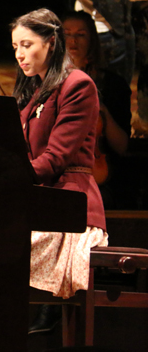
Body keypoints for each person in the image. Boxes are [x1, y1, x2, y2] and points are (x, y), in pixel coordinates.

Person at [10, 9, 109, 334]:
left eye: (26, 44)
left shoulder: (78, 84)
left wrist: (7, 179)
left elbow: (55, 158)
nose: (20, 54)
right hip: (40, 203)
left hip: (70, 208)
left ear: (51, 42)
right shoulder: (34, 96)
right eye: (15, 47)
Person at [63, 11, 135, 209]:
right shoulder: (49, 83)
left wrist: (102, 110)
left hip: (97, 175)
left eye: (80, 34)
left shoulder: (113, 85)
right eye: (67, 34)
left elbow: (121, 146)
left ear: (92, 40)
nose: (73, 41)